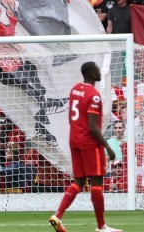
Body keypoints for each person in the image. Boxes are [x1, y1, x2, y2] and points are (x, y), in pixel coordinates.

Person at [50, 61, 121, 232]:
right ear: (91, 74)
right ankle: (101, 226)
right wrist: (108, 147)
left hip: (74, 139)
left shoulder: (75, 89)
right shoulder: (94, 95)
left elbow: (70, 118)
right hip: (89, 142)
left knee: (79, 182)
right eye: (97, 70)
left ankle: (57, 216)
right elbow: (92, 126)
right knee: (96, 181)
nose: (99, 72)